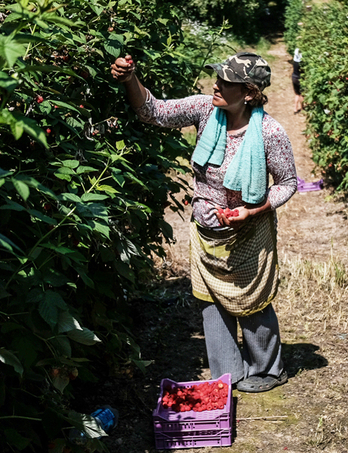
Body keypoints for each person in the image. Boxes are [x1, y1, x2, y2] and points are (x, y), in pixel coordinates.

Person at [111, 52, 298, 393]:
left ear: (249, 93)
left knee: (251, 301)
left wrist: (253, 211)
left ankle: (269, 370)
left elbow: (288, 183)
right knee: (212, 302)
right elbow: (153, 111)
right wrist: (130, 79)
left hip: (247, 232)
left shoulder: (270, 133)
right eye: (218, 77)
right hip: (206, 230)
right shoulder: (205, 110)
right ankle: (228, 374)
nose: (216, 84)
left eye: (226, 81)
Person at [291, 48, 303, 114]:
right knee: (301, 94)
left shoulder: (294, 62)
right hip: (300, 78)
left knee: (297, 94)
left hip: (294, 77)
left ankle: (295, 108)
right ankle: (302, 107)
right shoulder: (301, 64)